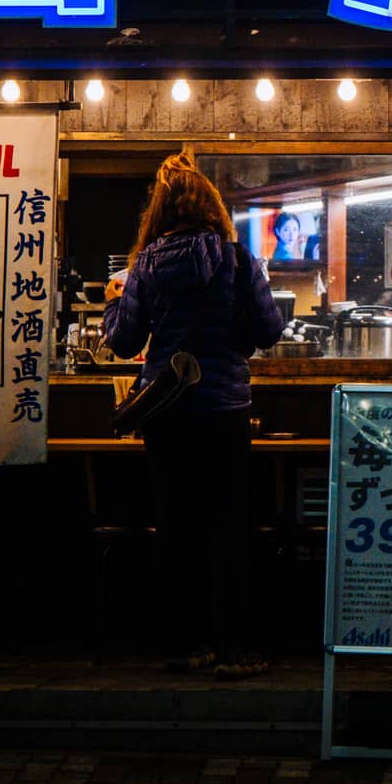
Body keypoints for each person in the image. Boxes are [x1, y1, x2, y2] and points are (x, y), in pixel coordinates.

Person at [104, 154, 284, 680]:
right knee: (229, 526)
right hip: (226, 410)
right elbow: (269, 332)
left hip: (168, 413)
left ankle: (186, 645)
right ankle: (236, 648)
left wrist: (114, 301)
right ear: (213, 208)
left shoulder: (147, 266)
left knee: (177, 525)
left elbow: (124, 343)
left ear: (158, 213)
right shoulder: (239, 260)